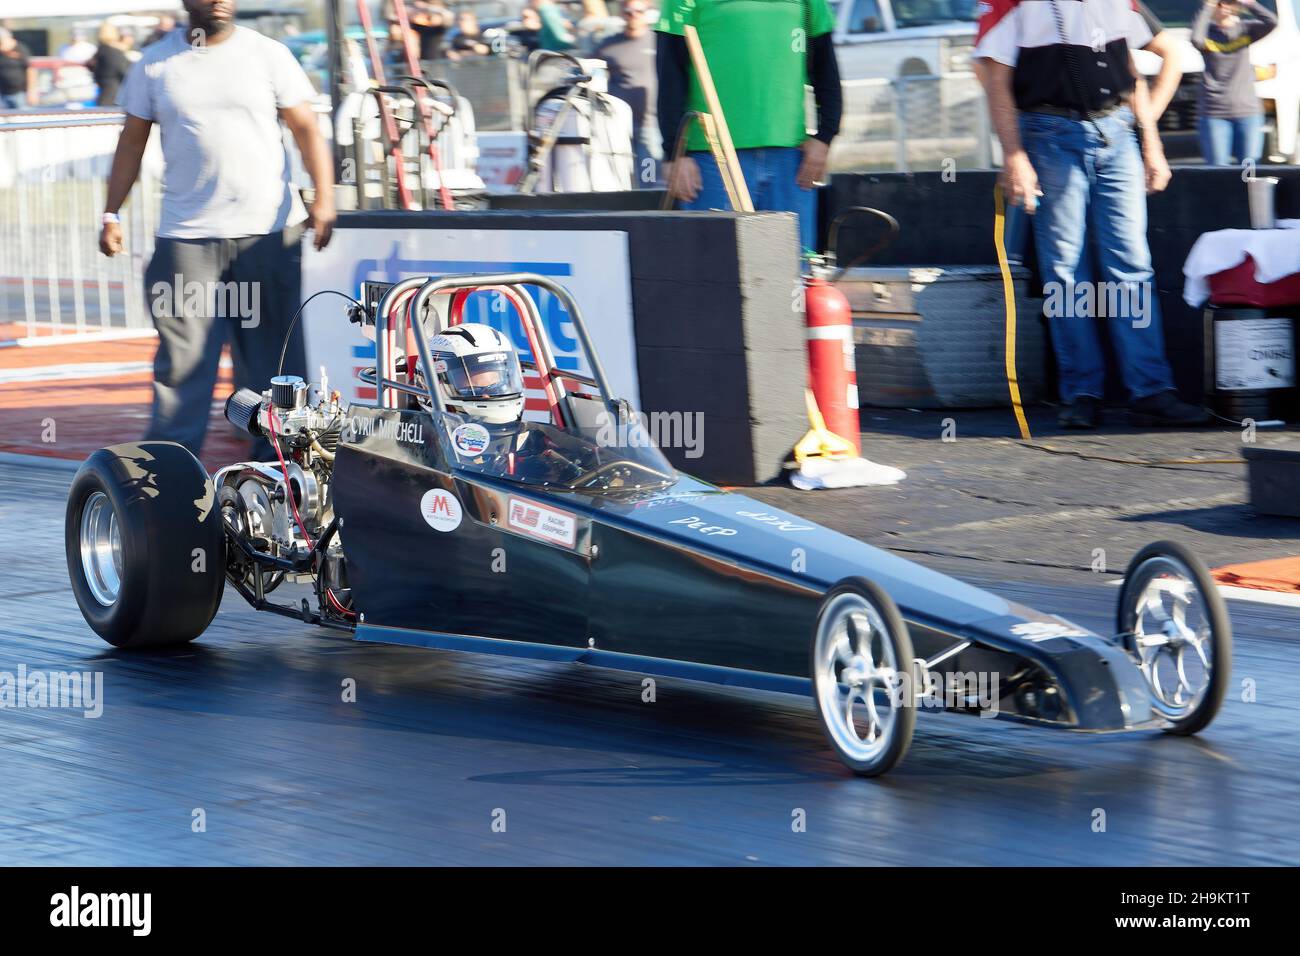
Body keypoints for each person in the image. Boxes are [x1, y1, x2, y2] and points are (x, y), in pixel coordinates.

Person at [99, 0, 336, 457]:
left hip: (268, 236)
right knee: (182, 372)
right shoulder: (154, 64)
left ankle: (280, 480)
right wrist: (111, 213)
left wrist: (324, 197)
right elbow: (131, 142)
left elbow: (306, 128)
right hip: (187, 242)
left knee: (276, 372)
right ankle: (166, 482)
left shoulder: (269, 54)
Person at [975, 0, 1208, 428]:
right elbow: (994, 74)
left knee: (1131, 265)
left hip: (1116, 134)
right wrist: (1014, 155)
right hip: (1049, 135)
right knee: (1066, 269)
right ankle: (1081, 390)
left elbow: (1139, 68)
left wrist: (1150, 141)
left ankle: (1151, 389)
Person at [656, 0, 842, 255]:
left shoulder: (809, 3)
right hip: (713, 161)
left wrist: (824, 138)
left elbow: (827, 72)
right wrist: (675, 153)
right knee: (719, 270)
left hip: (790, 162)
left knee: (793, 276)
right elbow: (670, 80)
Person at [1191, 0, 1277, 165]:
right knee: (1218, 169)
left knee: (1249, 168)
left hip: (1248, 112)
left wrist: (1249, 3)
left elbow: (1272, 22)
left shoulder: (1246, 29)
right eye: (1219, 3)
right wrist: (1208, 6)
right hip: (1214, 113)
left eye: (1228, 2)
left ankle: (1249, 193)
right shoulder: (1206, 33)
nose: (1224, 6)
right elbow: (1196, 39)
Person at [595, 1, 661, 187]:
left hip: (651, 125)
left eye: (638, 11)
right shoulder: (608, 46)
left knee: (650, 179)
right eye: (628, 11)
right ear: (623, 14)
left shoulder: (657, 41)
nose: (633, 15)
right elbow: (588, 72)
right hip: (617, 126)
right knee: (619, 179)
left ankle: (651, 214)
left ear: (647, 13)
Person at [89, 22, 131, 107]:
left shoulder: (100, 51)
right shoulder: (113, 52)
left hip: (105, 90)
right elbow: (122, 70)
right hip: (113, 92)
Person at [0, 28, 34, 110]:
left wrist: (32, 90)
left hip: (20, 93)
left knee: (23, 118)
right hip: (3, 93)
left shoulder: (20, 48)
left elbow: (30, 69)